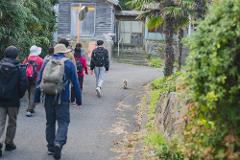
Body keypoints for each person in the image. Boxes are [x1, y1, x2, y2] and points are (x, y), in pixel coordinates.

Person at [34, 43, 81, 160]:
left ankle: (50, 147)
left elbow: (39, 81)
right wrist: (79, 100)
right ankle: (58, 143)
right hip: (63, 98)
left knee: (50, 122)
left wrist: (36, 98)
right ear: (64, 52)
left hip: (48, 97)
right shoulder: (69, 63)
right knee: (63, 122)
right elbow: (75, 83)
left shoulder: (47, 61)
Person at [0, 46, 28, 157]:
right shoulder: (20, 68)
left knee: (0, 122)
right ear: (16, 56)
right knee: (12, 122)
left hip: (0, 100)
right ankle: (9, 143)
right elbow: (23, 84)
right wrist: (19, 96)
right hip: (13, 101)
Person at [23, 45, 43, 117]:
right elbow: (42, 69)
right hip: (35, 78)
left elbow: (23, 67)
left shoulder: (27, 59)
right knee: (33, 93)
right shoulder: (40, 59)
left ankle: (31, 107)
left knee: (29, 93)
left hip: (27, 78)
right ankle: (29, 109)